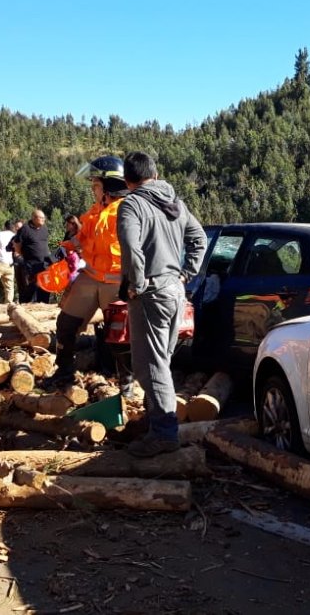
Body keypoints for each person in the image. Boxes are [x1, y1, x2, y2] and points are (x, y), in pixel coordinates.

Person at [117, 151, 207, 457]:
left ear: (128, 180)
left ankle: (164, 435)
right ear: (154, 174)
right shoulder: (175, 204)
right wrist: (186, 274)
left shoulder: (132, 204)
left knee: (150, 365)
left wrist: (137, 284)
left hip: (151, 294)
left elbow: (131, 247)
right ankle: (154, 423)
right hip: (174, 291)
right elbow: (199, 239)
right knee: (161, 361)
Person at [45, 156, 130, 390]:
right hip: (90, 277)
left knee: (119, 337)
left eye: (95, 185)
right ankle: (64, 371)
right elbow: (81, 238)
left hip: (116, 283)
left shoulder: (126, 211)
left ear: (109, 187)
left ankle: (127, 381)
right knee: (65, 324)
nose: (92, 190)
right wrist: (61, 251)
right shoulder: (96, 210)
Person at [12, 209, 54, 304]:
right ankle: (26, 304)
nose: (44, 220)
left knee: (45, 284)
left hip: (45, 263)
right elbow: (17, 243)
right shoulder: (25, 229)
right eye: (41, 218)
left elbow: (44, 243)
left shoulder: (44, 228)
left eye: (44, 218)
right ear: (34, 218)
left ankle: (43, 303)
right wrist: (22, 254)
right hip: (31, 264)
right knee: (33, 286)